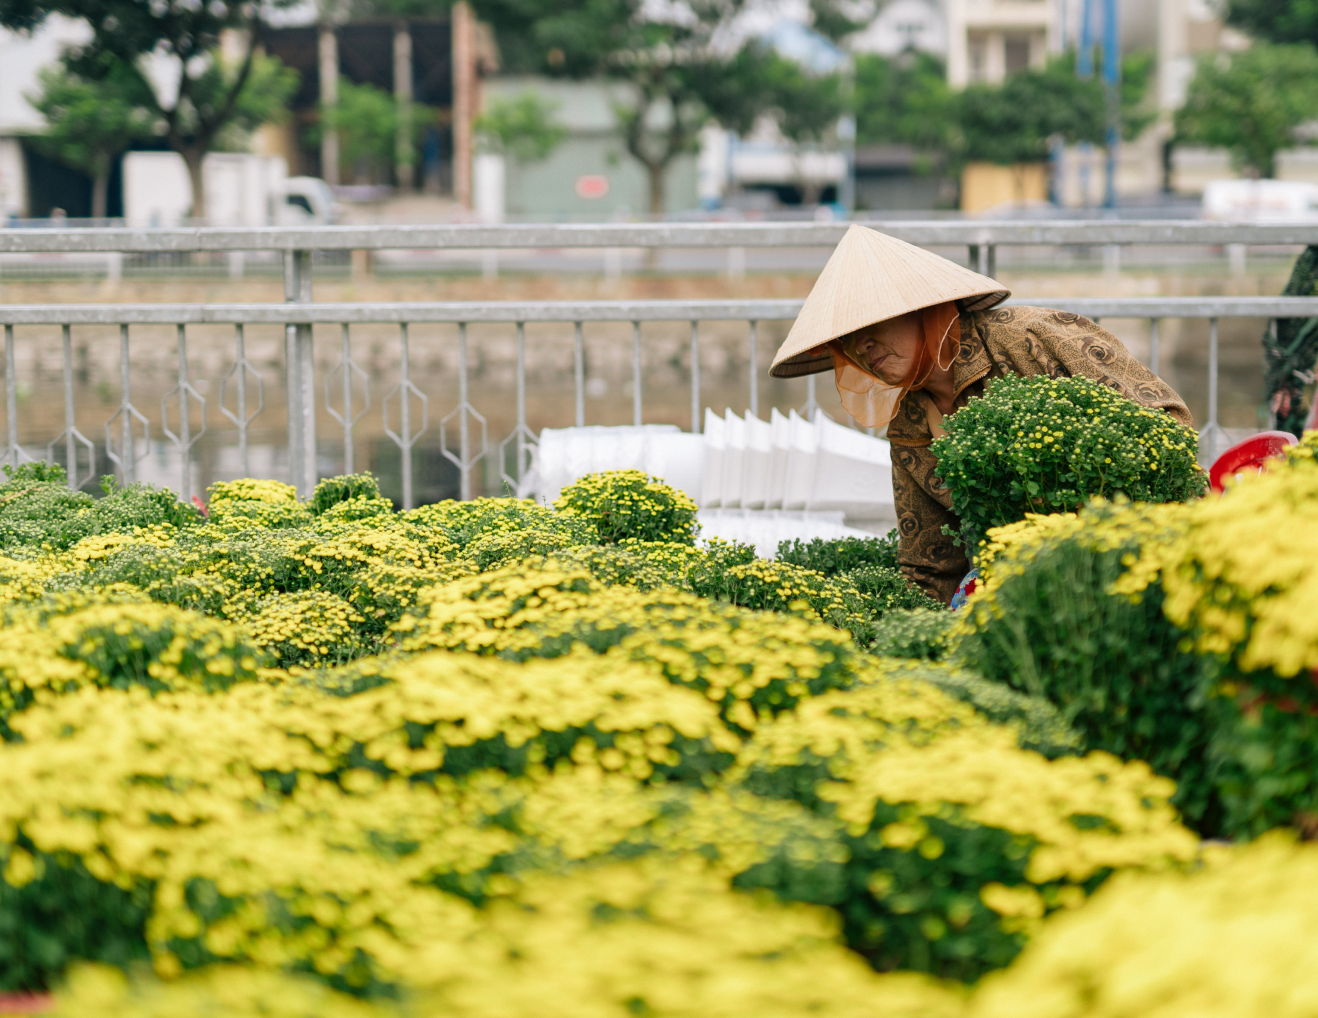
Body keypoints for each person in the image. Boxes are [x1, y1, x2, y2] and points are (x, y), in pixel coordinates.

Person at [769, 224, 1193, 605]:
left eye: (871, 327)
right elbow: (930, 564)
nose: (862, 348)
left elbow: (1165, 422)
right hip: (1021, 596)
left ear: (921, 309)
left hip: (1137, 559)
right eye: (848, 341)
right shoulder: (909, 428)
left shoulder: (1029, 337)